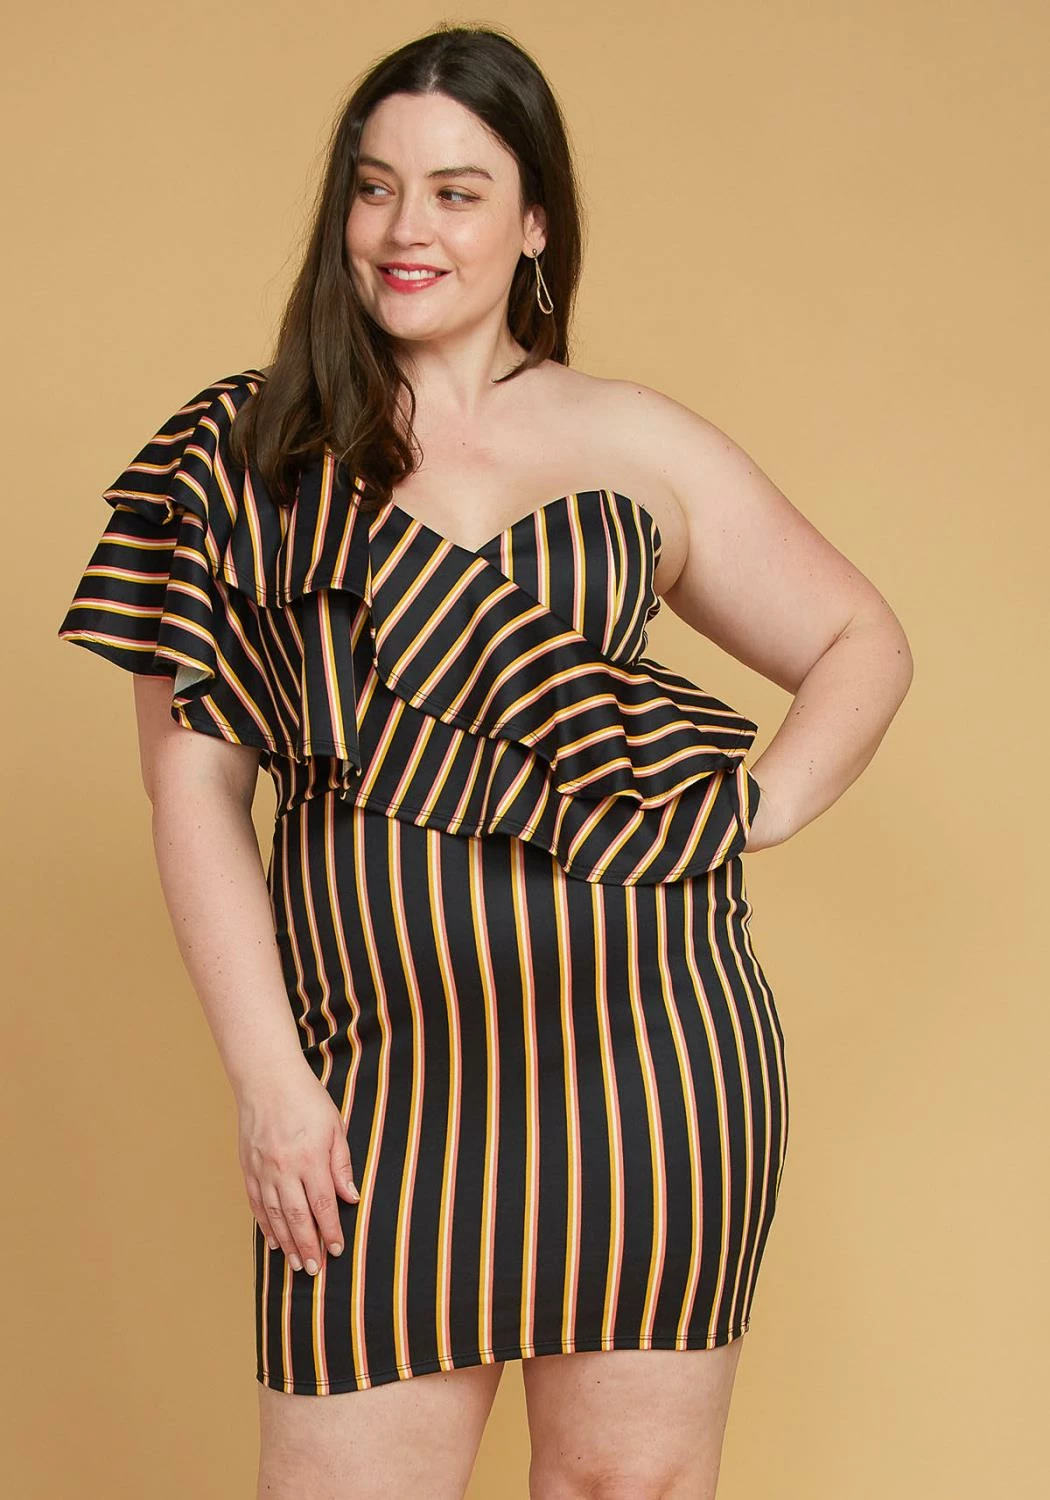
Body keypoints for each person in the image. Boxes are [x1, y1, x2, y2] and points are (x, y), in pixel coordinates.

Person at [56, 22, 913, 1500]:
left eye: (457, 192)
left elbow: (860, 640)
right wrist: (271, 1082)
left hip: (653, 1062)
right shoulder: (243, 455)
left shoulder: (637, 439)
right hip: (372, 1080)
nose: (408, 228)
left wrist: (756, 808)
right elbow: (192, 788)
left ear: (532, 224)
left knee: (624, 1490)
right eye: (376, 186)